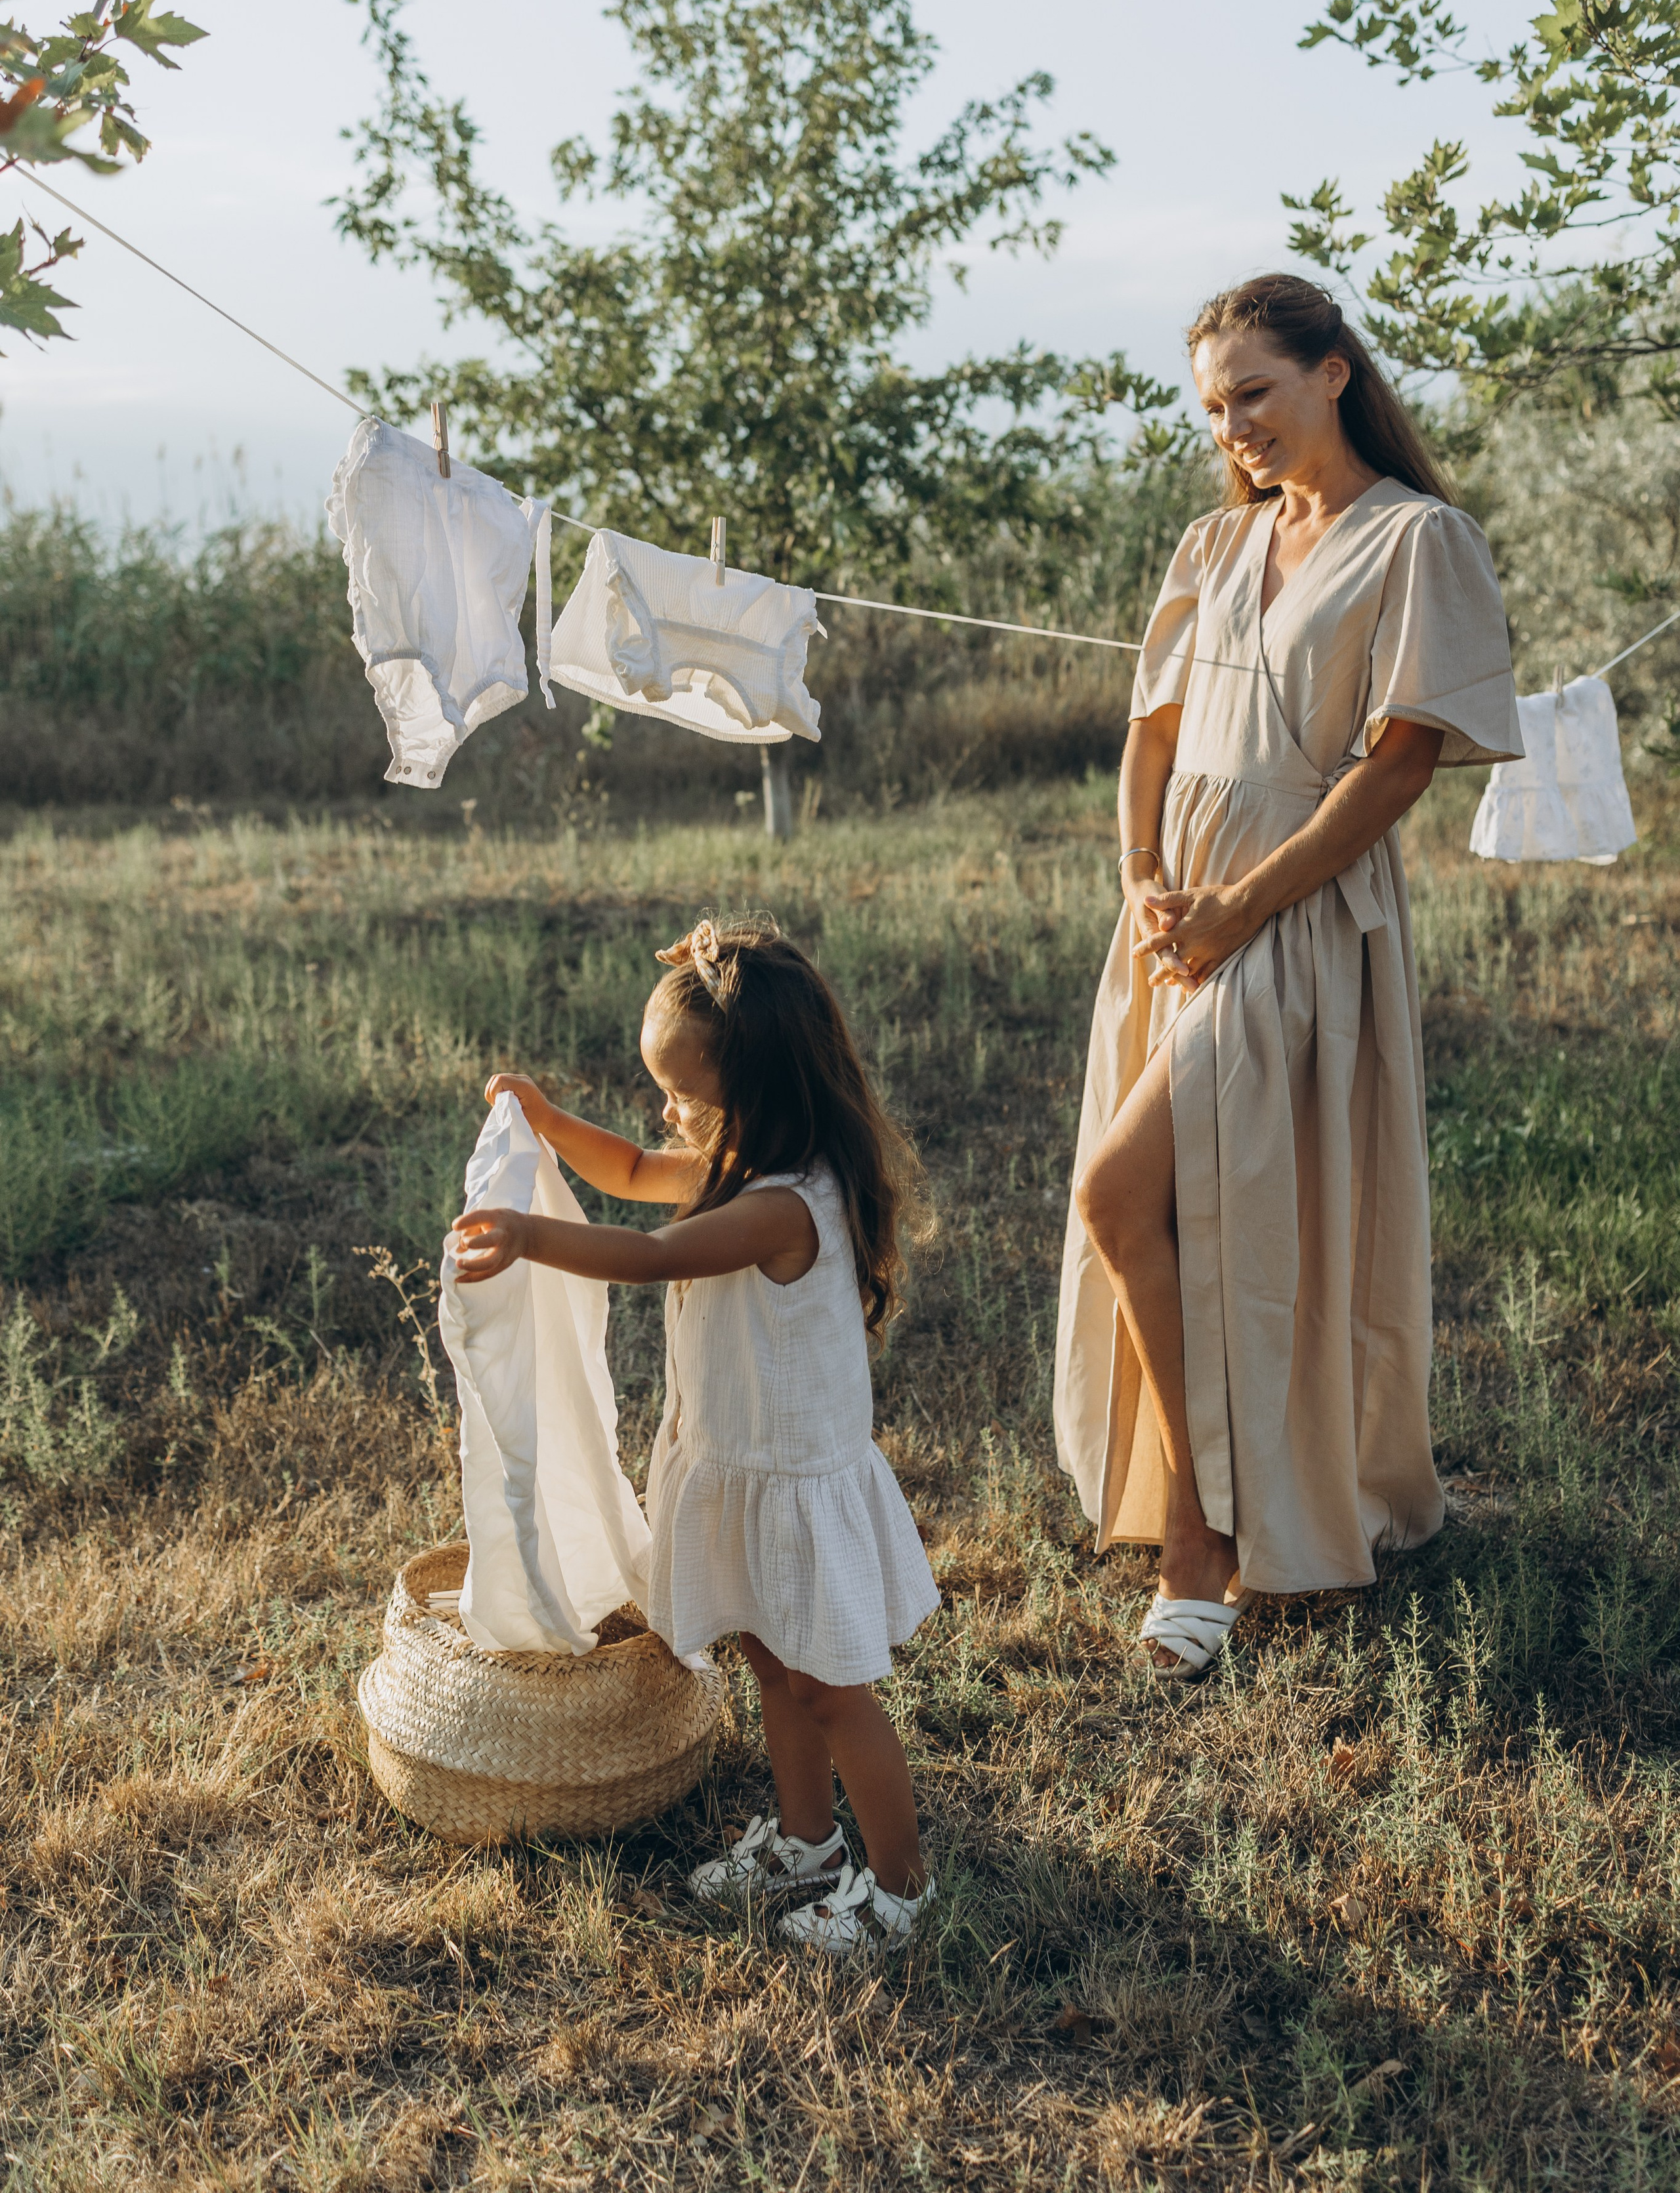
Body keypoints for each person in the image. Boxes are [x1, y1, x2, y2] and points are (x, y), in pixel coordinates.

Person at [1056, 274, 1522, 1681]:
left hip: (1291, 914)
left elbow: (1393, 770)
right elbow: (1150, 734)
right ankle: (1213, 1490)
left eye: (1251, 391)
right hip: (1177, 917)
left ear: (1331, 372)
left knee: (1123, 1192)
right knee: (1195, 1207)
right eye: (1212, 406)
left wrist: (1237, 911)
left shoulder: (1415, 542)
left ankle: (1204, 1538)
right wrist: (1142, 876)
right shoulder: (1214, 540)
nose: (1233, 426)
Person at [449, 916, 940, 1953]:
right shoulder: (737, 1161)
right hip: (743, 1464)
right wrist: (545, 1119)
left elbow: (650, 1254)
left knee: (830, 1687)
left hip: (794, 1479)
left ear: (758, 1091)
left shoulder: (785, 1206)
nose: (671, 1116)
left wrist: (537, 1237)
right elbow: (628, 1168)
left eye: (687, 1094)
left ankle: (902, 1888)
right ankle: (807, 1844)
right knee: (769, 1660)